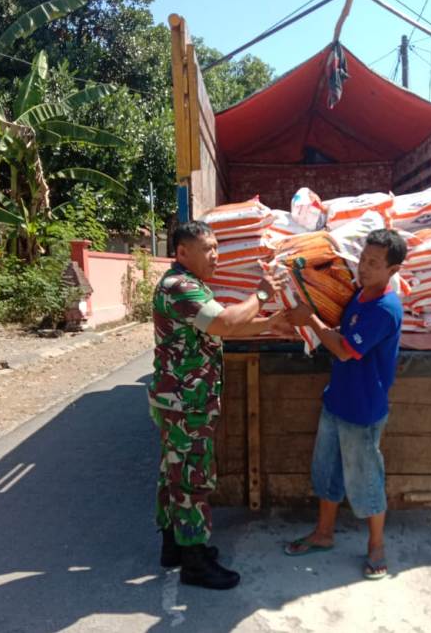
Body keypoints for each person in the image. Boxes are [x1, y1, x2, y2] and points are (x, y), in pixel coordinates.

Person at [149, 220, 289, 590]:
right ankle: (194, 561)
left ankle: (174, 547)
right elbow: (226, 322)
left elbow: (223, 327)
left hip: (182, 400)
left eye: (216, 247)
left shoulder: (192, 286)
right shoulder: (179, 287)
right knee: (192, 477)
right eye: (207, 248)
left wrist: (272, 322)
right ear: (182, 253)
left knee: (173, 474)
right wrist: (260, 296)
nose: (216, 255)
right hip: (185, 404)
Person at [284, 228, 407, 580]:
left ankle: (376, 547)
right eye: (363, 260)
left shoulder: (384, 308)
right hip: (336, 401)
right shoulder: (360, 295)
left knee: (366, 479)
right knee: (327, 473)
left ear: (393, 270)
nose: (364, 268)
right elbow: (337, 327)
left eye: (373, 263)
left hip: (363, 411)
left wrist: (309, 318)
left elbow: (343, 349)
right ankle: (323, 534)